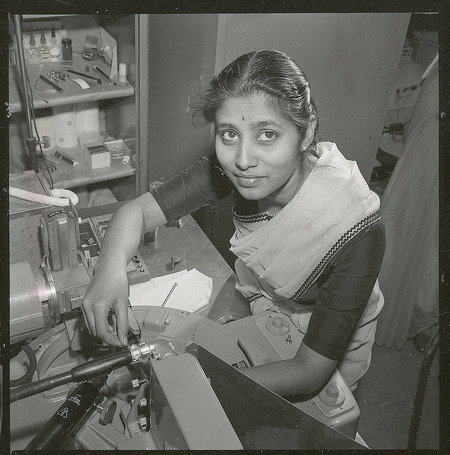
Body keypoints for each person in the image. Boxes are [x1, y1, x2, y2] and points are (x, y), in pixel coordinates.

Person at [82, 49, 385, 398]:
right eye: (229, 134)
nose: (242, 160)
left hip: (327, 347)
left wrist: (192, 388)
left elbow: (308, 371)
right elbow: (135, 212)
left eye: (267, 135)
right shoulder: (239, 171)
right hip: (265, 303)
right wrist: (109, 270)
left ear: (307, 131)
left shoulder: (357, 231)